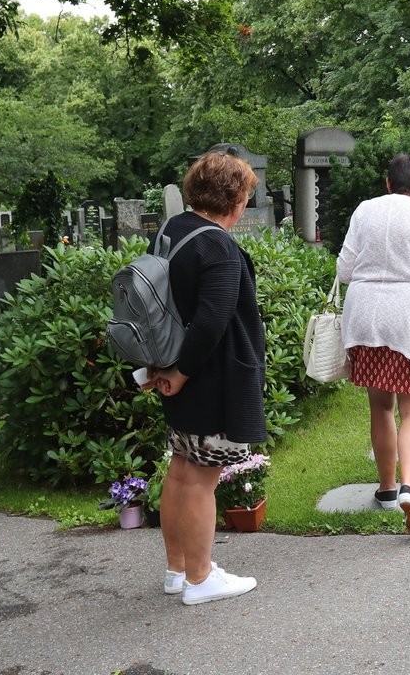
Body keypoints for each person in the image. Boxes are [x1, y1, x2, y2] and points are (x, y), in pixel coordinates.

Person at [142, 150, 265, 606]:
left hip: (178, 369)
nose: (246, 204)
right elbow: (213, 322)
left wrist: (170, 370)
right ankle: (200, 579)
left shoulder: (175, 230)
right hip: (211, 377)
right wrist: (182, 373)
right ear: (233, 197)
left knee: (180, 471)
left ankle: (178, 570)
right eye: (246, 195)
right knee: (201, 479)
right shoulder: (218, 244)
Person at [336, 153, 410, 532]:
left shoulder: (364, 211)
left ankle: (387, 489)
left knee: (380, 406)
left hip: (364, 317)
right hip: (408, 319)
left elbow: (343, 270)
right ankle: (409, 486)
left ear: (387, 183)